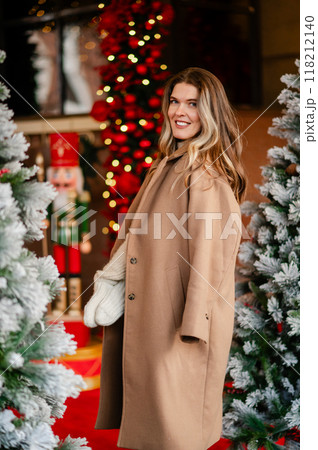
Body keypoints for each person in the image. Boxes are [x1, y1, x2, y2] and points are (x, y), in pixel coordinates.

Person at [84, 67, 247, 450]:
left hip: (180, 328)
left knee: (176, 435)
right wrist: (111, 281)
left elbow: (210, 259)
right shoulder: (168, 164)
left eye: (192, 103)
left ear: (211, 113)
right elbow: (138, 235)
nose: (179, 111)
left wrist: (193, 328)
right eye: (175, 101)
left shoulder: (204, 175)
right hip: (155, 319)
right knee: (158, 432)